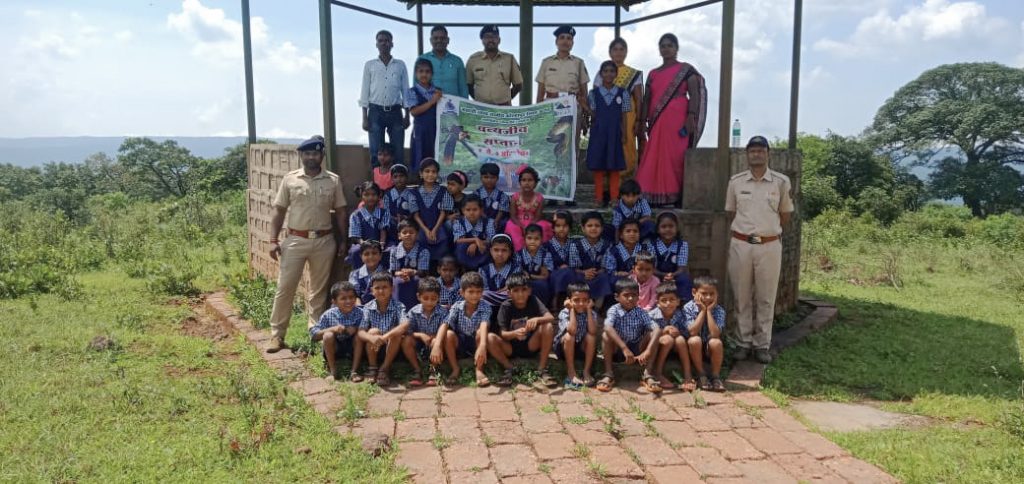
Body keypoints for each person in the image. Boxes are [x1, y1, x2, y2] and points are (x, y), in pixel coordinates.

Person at [266, 136, 348, 353]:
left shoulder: (333, 180)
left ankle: (316, 332)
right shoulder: (290, 179)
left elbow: (340, 212)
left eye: (315, 153)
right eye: (307, 153)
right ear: (301, 156)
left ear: (322, 156)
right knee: (285, 288)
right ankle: (277, 335)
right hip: (295, 240)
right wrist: (273, 241)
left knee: (318, 291)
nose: (311, 157)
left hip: (324, 240)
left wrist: (343, 240)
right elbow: (279, 210)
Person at [726, 135, 794, 364]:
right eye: (752, 150)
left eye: (760, 150)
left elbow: (785, 215)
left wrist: (766, 235)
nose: (756, 154)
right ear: (747, 154)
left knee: (766, 297)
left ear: (768, 153)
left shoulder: (780, 182)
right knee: (741, 296)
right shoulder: (736, 182)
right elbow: (730, 212)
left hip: (768, 245)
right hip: (742, 244)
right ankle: (743, 343)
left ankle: (762, 344)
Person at [635, 33, 707, 207]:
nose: (666, 49)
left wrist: (691, 116)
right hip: (656, 121)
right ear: (659, 50)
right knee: (653, 156)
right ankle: (651, 195)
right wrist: (642, 121)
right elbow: (647, 98)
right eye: (663, 46)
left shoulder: (686, 70)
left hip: (678, 119)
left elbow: (695, 94)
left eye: (670, 45)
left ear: (676, 48)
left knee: (675, 158)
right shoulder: (653, 73)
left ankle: (675, 196)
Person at [489, 273, 558, 388]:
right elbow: (503, 334)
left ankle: (542, 369)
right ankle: (509, 368)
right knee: (490, 338)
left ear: (529, 291)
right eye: (516, 290)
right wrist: (514, 333)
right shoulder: (506, 306)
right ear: (509, 293)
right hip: (510, 348)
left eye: (524, 290)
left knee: (548, 326)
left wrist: (537, 319)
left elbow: (550, 317)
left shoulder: (533, 300)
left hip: (531, 345)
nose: (520, 294)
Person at [597, 278, 662, 393]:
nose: (631, 298)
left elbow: (656, 329)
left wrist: (648, 350)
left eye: (634, 295)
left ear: (638, 296)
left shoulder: (640, 312)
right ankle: (608, 373)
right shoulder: (614, 310)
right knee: (606, 335)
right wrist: (624, 348)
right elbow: (607, 327)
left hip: (638, 350)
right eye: (626, 295)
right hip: (618, 349)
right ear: (617, 297)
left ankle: (647, 374)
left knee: (653, 333)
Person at [360, 30, 409, 168]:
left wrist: (407, 115)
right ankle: (376, 187)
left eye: (386, 40)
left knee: (398, 150)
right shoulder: (370, 65)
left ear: (392, 43)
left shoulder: (400, 65)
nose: (384, 43)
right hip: (375, 110)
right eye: (380, 40)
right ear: (376, 44)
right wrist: (364, 117)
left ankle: (399, 185)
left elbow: (405, 90)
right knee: (376, 151)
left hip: (395, 111)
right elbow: (364, 91)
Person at [586, 60, 630, 207]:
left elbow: (624, 115)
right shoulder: (593, 93)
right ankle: (598, 198)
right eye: (605, 71)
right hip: (599, 132)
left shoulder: (623, 93)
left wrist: (624, 133)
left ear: (616, 74)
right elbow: (593, 114)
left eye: (612, 71)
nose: (609, 74)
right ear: (601, 74)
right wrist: (583, 105)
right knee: (598, 166)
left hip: (615, 133)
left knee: (614, 166)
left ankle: (614, 198)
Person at [598, 37, 643, 178]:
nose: (618, 52)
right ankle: (608, 189)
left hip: (628, 118)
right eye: (615, 49)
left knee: (627, 147)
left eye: (621, 49)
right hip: (606, 119)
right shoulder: (602, 73)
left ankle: (626, 185)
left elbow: (639, 99)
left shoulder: (634, 74)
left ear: (626, 52)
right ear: (610, 52)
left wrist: (639, 121)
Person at [358, 273, 408, 386]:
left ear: (392, 289)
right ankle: (373, 367)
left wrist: (385, 337)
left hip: (392, 347)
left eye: (385, 287)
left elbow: (405, 324)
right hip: (373, 347)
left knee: (397, 332)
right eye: (377, 288)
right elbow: (361, 331)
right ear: (372, 290)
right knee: (372, 331)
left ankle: (385, 368)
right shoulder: (368, 307)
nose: (381, 291)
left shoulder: (398, 306)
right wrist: (371, 337)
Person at [444, 272, 493, 386]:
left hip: (476, 341)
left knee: (481, 332)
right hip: (460, 342)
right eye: (471, 292)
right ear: (462, 293)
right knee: (448, 334)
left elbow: (484, 324)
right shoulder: (457, 306)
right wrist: (436, 345)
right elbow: (446, 323)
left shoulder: (485, 306)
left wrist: (482, 346)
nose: (475, 295)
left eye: (478, 292)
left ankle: (479, 369)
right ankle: (455, 368)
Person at [310, 282, 366, 382]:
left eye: (351, 297)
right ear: (334, 302)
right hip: (335, 348)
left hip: (354, 348)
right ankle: (333, 371)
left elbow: (369, 329)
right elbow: (314, 335)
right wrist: (332, 329)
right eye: (343, 298)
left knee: (359, 335)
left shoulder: (361, 313)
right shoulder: (329, 315)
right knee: (327, 335)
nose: (348, 301)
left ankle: (354, 371)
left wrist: (357, 329)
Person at [401, 278, 450, 387]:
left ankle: (433, 370)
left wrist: (436, 343)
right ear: (418, 297)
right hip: (419, 343)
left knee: (436, 342)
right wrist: (420, 334)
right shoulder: (414, 311)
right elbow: (407, 331)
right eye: (426, 298)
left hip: (435, 342)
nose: (429, 302)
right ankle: (417, 370)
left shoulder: (443, 312)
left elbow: (444, 327)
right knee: (406, 340)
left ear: (439, 298)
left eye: (433, 299)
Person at [535, 26, 590, 114]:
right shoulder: (546, 62)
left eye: (569, 38)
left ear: (572, 43)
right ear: (556, 42)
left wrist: (584, 110)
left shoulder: (579, 63)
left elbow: (584, 92)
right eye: (562, 38)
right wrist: (538, 112)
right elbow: (540, 93)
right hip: (550, 105)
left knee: (574, 128)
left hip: (572, 105)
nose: (565, 41)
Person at [685, 276, 727, 391]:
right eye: (704, 293)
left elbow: (715, 334)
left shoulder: (719, 310)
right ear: (694, 293)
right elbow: (693, 331)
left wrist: (708, 311)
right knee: (694, 340)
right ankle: (701, 374)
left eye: (712, 294)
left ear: (716, 294)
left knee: (716, 342)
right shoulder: (688, 308)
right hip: (692, 349)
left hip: (709, 349)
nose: (708, 297)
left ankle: (715, 376)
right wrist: (702, 311)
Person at [466, 25, 524, 106]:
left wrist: (506, 99)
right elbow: (468, 85)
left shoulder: (509, 59)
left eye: (494, 36)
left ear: (499, 40)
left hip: (503, 108)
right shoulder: (473, 60)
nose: (490, 40)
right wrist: (478, 100)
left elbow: (518, 85)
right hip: (481, 109)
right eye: (487, 37)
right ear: (482, 40)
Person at [409, 158, 453, 262]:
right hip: (421, 226)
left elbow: (443, 213)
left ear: (437, 174)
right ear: (421, 173)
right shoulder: (414, 192)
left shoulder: (443, 191)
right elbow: (416, 215)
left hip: (438, 226)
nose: (430, 174)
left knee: (442, 242)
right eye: (427, 171)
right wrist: (426, 230)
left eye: (434, 172)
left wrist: (434, 230)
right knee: (421, 243)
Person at [650, 283, 691, 391]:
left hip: (675, 348)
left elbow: (687, 332)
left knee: (681, 339)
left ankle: (687, 375)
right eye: (664, 300)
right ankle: (657, 373)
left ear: (678, 301)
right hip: (658, 348)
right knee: (667, 339)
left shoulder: (680, 314)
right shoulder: (652, 315)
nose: (668, 303)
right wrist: (665, 331)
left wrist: (678, 332)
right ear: (657, 303)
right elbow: (650, 335)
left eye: (672, 299)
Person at [557, 282, 600, 389]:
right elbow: (572, 331)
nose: (581, 304)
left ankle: (586, 371)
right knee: (569, 336)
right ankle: (571, 372)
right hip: (564, 349)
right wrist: (571, 309)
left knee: (591, 337)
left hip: (581, 349)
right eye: (576, 300)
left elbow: (593, 331)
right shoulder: (564, 313)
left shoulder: (591, 313)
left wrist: (589, 310)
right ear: (569, 300)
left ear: (589, 301)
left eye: (585, 300)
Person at [406, 59, 442, 173]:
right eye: (421, 71)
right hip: (420, 131)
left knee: (435, 157)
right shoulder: (412, 92)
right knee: (419, 158)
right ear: (416, 74)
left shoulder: (438, 92)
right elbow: (414, 111)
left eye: (427, 72)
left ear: (432, 74)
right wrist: (432, 102)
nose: (424, 74)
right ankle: (420, 184)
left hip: (435, 130)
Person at [568, 211, 612, 303]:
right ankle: (579, 304)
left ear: (602, 228)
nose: (593, 228)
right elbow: (574, 267)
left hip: (598, 274)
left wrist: (595, 272)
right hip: (582, 274)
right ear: (583, 228)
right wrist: (584, 272)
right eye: (589, 225)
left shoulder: (607, 245)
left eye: (597, 225)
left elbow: (606, 267)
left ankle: (597, 308)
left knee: (604, 277)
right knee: (574, 277)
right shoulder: (575, 245)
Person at [506, 166, 553, 251]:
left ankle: (540, 253)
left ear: (535, 183)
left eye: (530, 180)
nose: (527, 183)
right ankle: (519, 254)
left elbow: (538, 216)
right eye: (524, 180)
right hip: (518, 222)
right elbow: (513, 216)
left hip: (534, 221)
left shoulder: (539, 198)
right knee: (512, 227)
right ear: (520, 183)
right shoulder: (515, 197)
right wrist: (520, 226)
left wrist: (529, 227)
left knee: (543, 226)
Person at [347, 181, 390, 267]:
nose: (370, 198)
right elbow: (356, 236)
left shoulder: (384, 213)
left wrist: (381, 245)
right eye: (366, 195)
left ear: (379, 196)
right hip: (362, 244)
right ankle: (358, 275)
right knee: (355, 251)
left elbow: (383, 231)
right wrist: (364, 245)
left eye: (373, 195)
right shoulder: (355, 215)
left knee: (389, 251)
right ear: (361, 195)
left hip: (380, 242)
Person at [418, 25, 468, 99]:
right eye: (436, 38)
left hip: (452, 107)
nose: (439, 41)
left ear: (448, 40)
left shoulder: (457, 61)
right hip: (428, 106)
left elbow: (463, 89)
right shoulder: (421, 59)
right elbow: (416, 87)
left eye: (442, 38)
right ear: (431, 40)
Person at [652, 211, 692, 301]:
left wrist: (671, 276)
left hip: (676, 275)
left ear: (676, 228)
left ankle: (685, 306)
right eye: (664, 227)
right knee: (653, 281)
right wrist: (664, 275)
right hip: (657, 274)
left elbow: (681, 268)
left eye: (671, 226)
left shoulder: (682, 245)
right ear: (658, 229)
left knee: (684, 279)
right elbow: (651, 268)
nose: (667, 229)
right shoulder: (652, 245)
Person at [390, 220, 431, 308]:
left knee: (418, 281)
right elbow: (393, 271)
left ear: (417, 235)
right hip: (400, 276)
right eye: (404, 232)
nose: (408, 235)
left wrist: (412, 272)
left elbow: (423, 272)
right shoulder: (394, 251)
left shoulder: (423, 251)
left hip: (416, 276)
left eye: (411, 232)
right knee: (397, 282)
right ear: (399, 236)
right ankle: (398, 308)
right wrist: (400, 273)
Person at [603, 219, 651, 288]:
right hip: (620, 281)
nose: (632, 234)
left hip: (641, 278)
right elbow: (609, 270)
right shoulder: (613, 251)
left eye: (635, 231)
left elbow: (651, 266)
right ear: (621, 235)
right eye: (628, 231)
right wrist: (618, 273)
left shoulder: (646, 249)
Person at [451, 194, 494, 270]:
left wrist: (476, 244)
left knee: (488, 246)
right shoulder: (459, 222)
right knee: (461, 246)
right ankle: (464, 268)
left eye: (475, 209)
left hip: (482, 254)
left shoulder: (488, 222)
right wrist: (475, 240)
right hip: (465, 254)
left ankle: (483, 269)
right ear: (463, 211)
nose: (471, 213)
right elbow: (458, 240)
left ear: (481, 210)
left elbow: (491, 239)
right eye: (468, 210)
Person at [545, 211, 576, 310]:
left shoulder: (574, 244)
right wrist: (559, 268)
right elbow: (547, 265)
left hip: (571, 272)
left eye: (565, 226)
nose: (561, 229)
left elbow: (576, 262)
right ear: (553, 228)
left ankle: (571, 299)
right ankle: (556, 297)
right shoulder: (547, 246)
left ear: (570, 227)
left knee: (569, 272)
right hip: (554, 273)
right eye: (558, 226)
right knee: (560, 273)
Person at [516, 224, 553, 305]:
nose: (532, 241)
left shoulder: (546, 255)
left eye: (536, 239)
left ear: (541, 239)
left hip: (540, 283)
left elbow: (545, 275)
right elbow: (518, 272)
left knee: (542, 285)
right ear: (524, 239)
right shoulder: (518, 255)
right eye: (529, 238)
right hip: (523, 281)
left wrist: (530, 276)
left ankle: (542, 308)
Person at [479, 234, 518, 307]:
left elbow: (514, 289)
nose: (500, 254)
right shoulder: (483, 270)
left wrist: (493, 295)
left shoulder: (515, 269)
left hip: (509, 307)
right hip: (488, 307)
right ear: (491, 251)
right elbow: (483, 291)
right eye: (496, 250)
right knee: (483, 295)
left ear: (509, 252)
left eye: (504, 250)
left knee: (514, 294)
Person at [348, 240, 387, 304]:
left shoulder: (387, 274)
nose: (370, 257)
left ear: (380, 256)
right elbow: (354, 295)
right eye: (366, 254)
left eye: (374, 253)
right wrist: (360, 308)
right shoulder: (355, 275)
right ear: (361, 257)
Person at [475, 162, 510, 230]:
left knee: (504, 223)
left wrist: (496, 221)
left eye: (492, 177)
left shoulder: (502, 196)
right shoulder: (476, 194)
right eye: (486, 177)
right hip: (480, 219)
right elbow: (476, 208)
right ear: (481, 178)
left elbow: (501, 211)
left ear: (497, 178)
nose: (489, 180)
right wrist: (486, 220)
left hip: (497, 221)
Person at [384, 164, 412, 243]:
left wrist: (406, 218)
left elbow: (414, 211)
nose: (398, 179)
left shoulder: (411, 194)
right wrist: (394, 219)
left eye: (401, 176)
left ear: (406, 178)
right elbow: (386, 212)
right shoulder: (387, 195)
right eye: (395, 177)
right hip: (392, 224)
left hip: (408, 223)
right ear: (392, 179)